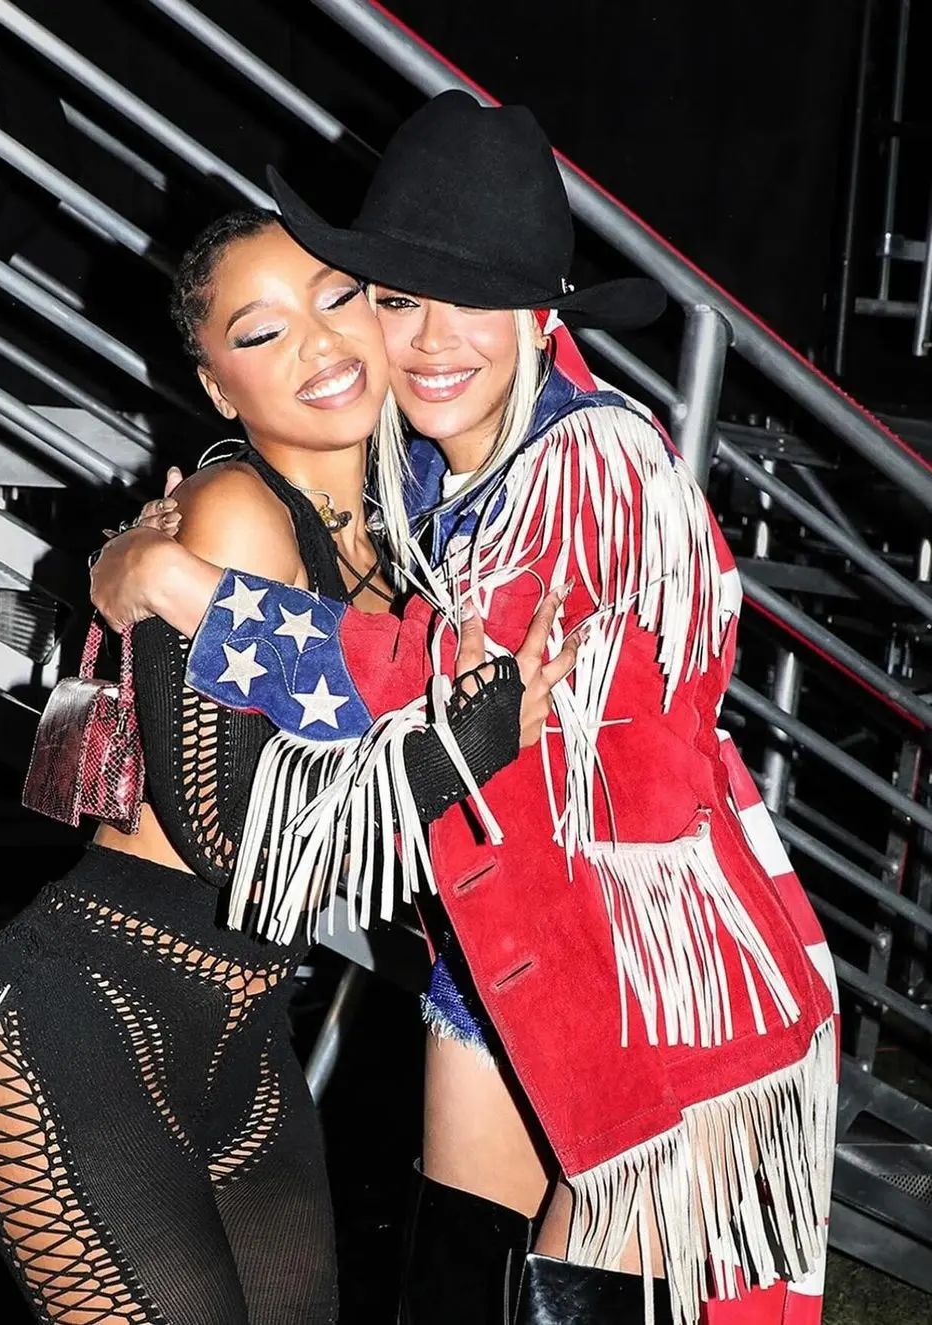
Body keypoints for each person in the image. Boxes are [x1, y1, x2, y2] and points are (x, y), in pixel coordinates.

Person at [91, 93, 838, 1325]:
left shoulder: (593, 467)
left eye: (475, 302)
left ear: (543, 315)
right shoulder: (438, 467)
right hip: (502, 957)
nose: (432, 340)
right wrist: (127, 548)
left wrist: (185, 592)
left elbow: (444, 682)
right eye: (399, 298)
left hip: (657, 988)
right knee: (451, 1284)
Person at [0, 207, 577, 1325]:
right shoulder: (239, 513)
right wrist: (466, 748)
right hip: (86, 1014)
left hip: (246, 1034)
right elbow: (232, 840)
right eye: (262, 330)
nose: (319, 344)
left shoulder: (403, 538)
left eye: (337, 298)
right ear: (216, 385)